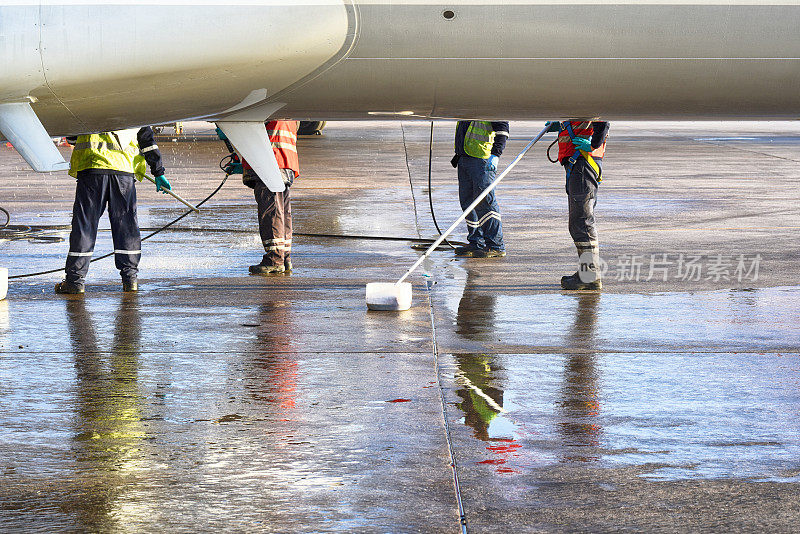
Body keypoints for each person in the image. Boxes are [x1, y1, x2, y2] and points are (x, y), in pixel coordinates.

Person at [55, 128, 169, 294]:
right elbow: (146, 140)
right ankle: (130, 280)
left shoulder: (84, 103)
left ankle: (75, 281)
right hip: (123, 170)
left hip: (92, 168)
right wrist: (158, 171)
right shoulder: (132, 105)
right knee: (126, 226)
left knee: (85, 226)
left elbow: (72, 137)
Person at [220, 120, 299, 275]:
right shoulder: (289, 111)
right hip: (285, 160)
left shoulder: (267, 104)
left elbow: (251, 123)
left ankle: (274, 260)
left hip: (269, 160)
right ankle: (284, 258)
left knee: (271, 211)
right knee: (282, 211)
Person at [552, 119, 610, 290]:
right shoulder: (578, 98)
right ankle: (588, 273)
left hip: (583, 163)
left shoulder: (588, 96)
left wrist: (592, 145)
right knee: (579, 222)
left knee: (582, 222)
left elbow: (603, 122)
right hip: (579, 164)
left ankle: (589, 275)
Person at [450, 120, 510, 258]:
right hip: (464, 157)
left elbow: (502, 129)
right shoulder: (467, 104)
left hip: (481, 160)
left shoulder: (487, 102)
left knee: (485, 203)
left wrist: (496, 154)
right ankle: (476, 241)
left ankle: (496, 245)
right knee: (468, 203)